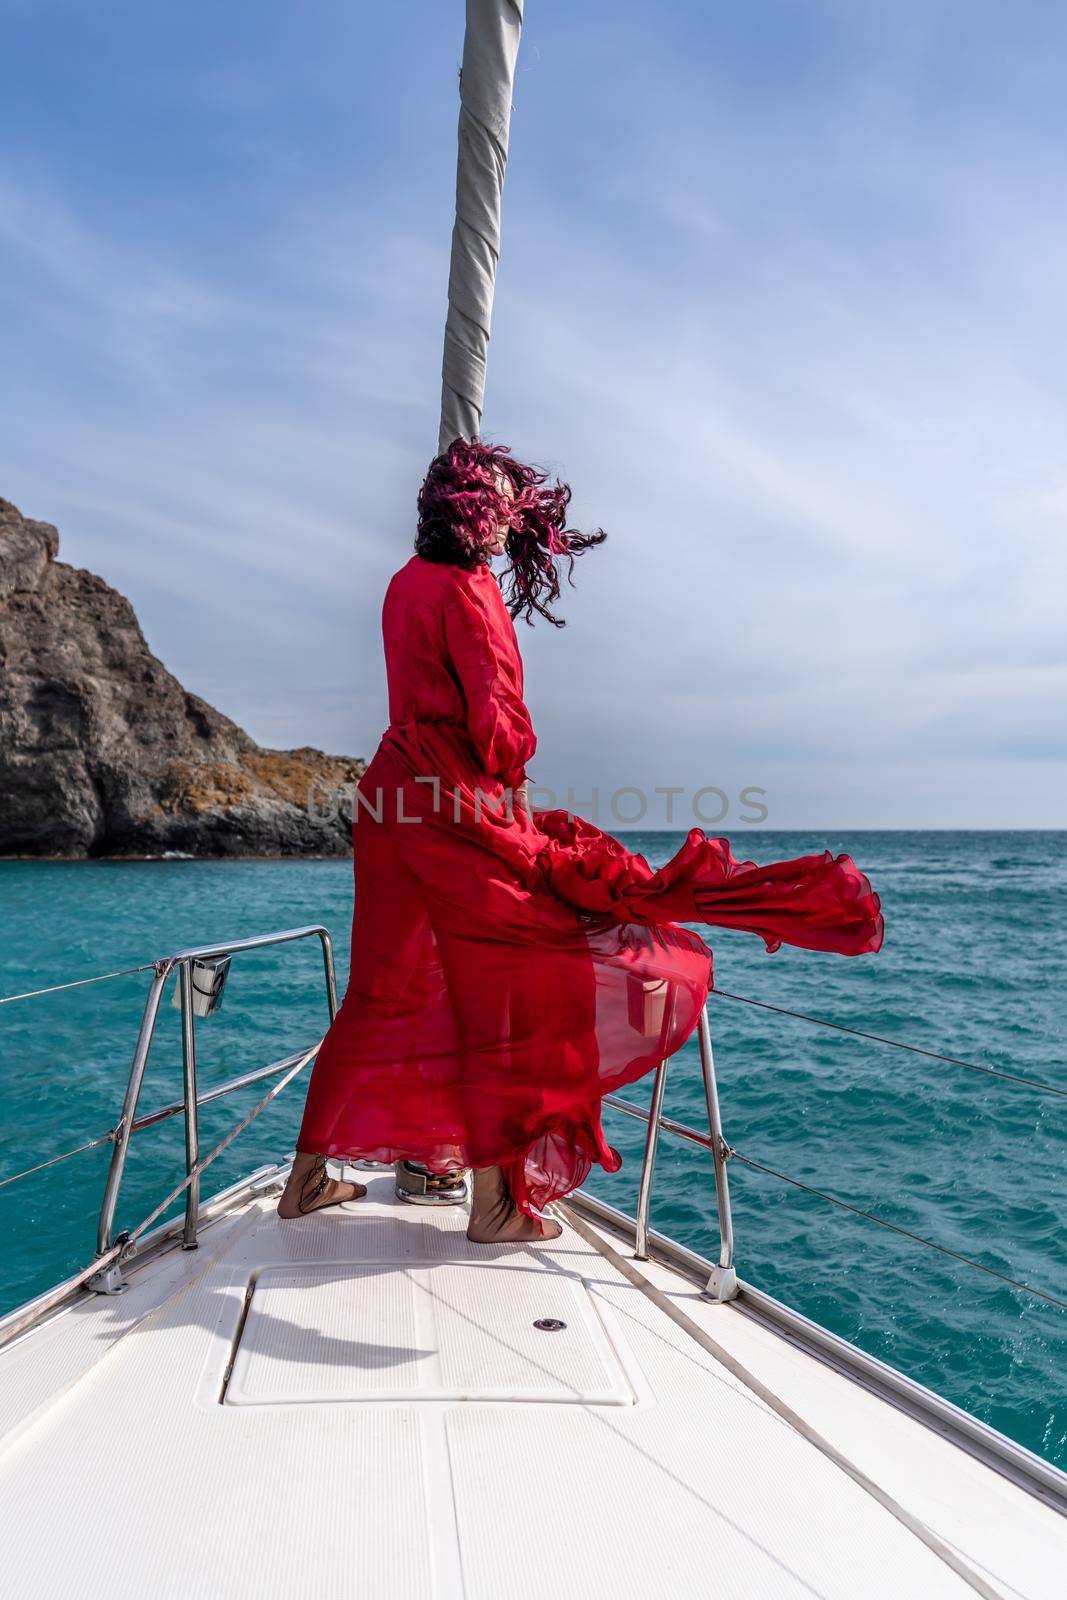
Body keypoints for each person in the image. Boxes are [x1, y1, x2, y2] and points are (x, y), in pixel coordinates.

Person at [279, 439, 883, 1240]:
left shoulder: (402, 584)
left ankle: (306, 1183)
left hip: (391, 789)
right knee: (509, 985)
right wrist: (517, 803)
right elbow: (498, 723)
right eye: (498, 507)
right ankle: (495, 1209)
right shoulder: (468, 591)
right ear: (472, 511)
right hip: (455, 798)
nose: (505, 525)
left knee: (377, 989)